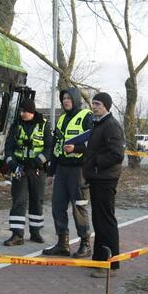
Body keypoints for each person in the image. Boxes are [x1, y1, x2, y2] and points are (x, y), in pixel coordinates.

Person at [43, 88, 93, 258]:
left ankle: (85, 244)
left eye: (68, 98)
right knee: (57, 206)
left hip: (79, 170)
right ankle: (62, 244)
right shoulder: (62, 118)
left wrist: (76, 148)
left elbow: (94, 143)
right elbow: (56, 147)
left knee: (79, 207)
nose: (65, 101)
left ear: (76, 99)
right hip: (62, 170)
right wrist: (50, 172)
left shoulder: (86, 116)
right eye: (63, 98)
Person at [82, 92, 125, 278]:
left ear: (106, 106)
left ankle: (111, 265)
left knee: (106, 221)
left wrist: (96, 162)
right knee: (98, 220)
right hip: (97, 178)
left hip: (106, 179)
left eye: (98, 103)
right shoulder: (98, 123)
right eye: (93, 103)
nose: (94, 106)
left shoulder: (112, 126)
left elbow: (117, 154)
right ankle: (99, 259)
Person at [3, 98, 53, 246]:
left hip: (37, 169)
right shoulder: (16, 125)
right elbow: (9, 148)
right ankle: (17, 234)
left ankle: (35, 232)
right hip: (19, 169)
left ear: (32, 111)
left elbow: (49, 148)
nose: (22, 113)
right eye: (21, 111)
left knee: (37, 200)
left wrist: (37, 162)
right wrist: (12, 163)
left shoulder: (44, 125)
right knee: (19, 200)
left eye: (25, 111)